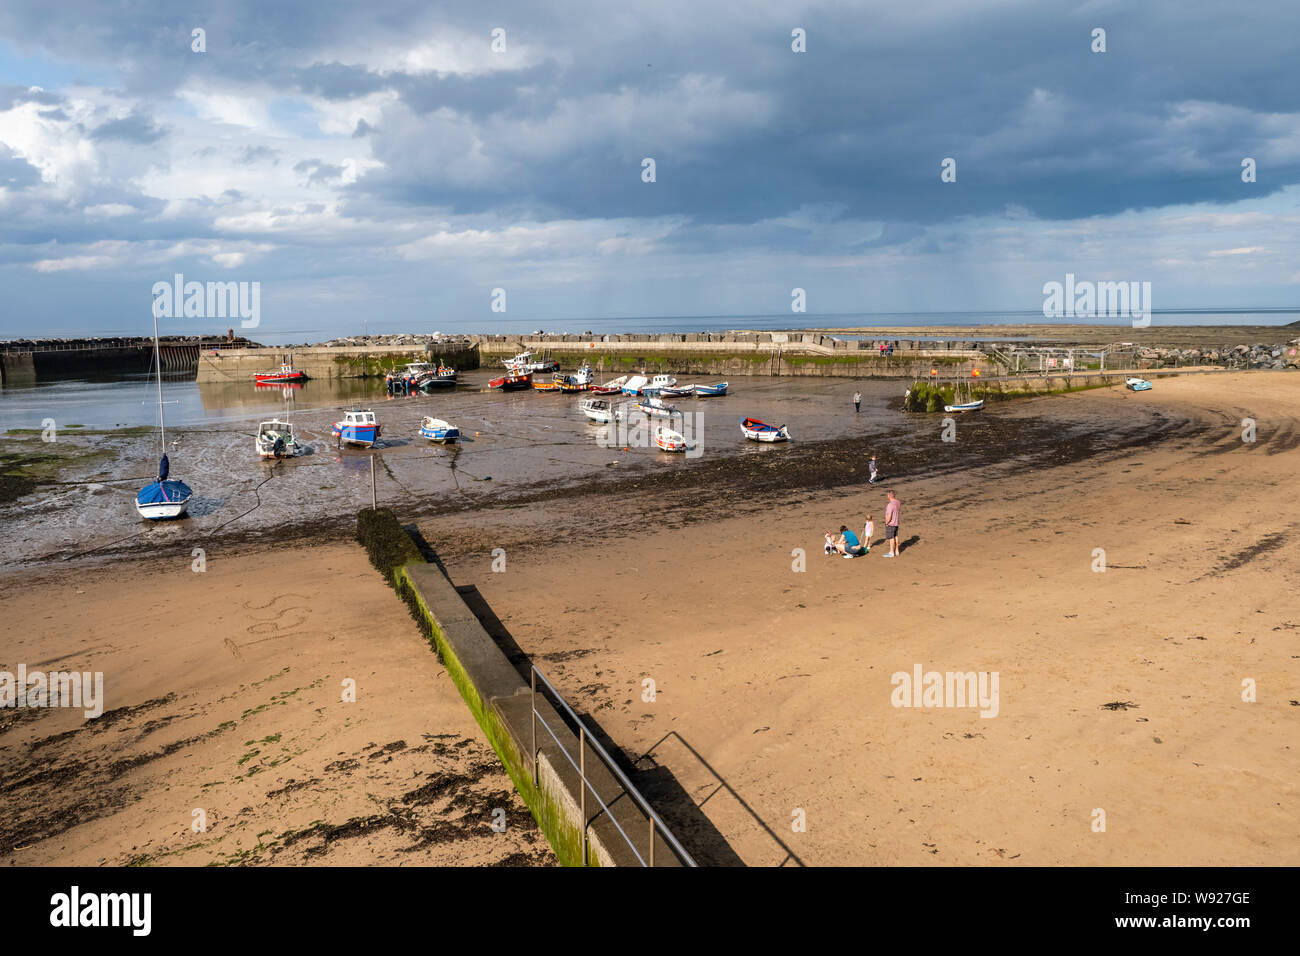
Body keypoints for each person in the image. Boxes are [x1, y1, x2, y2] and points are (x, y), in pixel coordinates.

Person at [883, 491, 901, 557]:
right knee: (896, 536)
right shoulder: (898, 502)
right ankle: (897, 551)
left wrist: (886, 523)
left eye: (887, 495)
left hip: (891, 523)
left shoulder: (890, 505)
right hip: (896, 522)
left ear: (889, 496)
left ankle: (891, 552)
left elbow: (889, 516)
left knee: (891, 538)